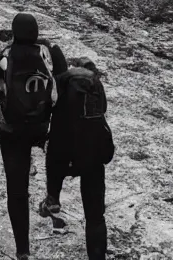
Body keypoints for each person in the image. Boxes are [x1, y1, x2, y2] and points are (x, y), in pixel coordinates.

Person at [0, 13, 67, 260]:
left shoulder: (5, 55)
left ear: (13, 32)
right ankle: (52, 196)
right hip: (43, 127)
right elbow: (63, 82)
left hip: (12, 131)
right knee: (53, 152)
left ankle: (23, 251)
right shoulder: (48, 53)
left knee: (17, 190)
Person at [40, 57, 114, 260]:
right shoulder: (95, 83)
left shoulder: (62, 80)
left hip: (62, 149)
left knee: (53, 158)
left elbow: (47, 107)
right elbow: (104, 110)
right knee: (95, 217)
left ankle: (52, 196)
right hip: (93, 152)